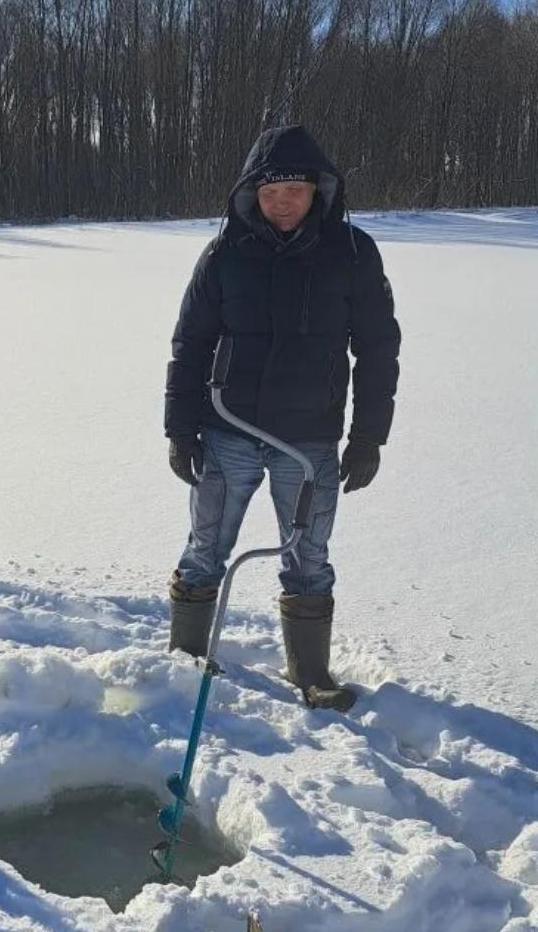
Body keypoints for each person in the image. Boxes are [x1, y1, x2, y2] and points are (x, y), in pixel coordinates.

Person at [164, 124, 400, 711]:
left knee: (309, 557)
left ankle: (310, 671)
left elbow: (377, 347)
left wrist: (368, 436)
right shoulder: (224, 253)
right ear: (252, 195)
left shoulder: (351, 252)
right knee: (204, 548)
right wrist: (179, 427)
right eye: (269, 193)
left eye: (294, 190)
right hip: (228, 431)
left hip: (311, 441)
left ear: (317, 190)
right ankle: (186, 661)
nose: (282, 203)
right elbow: (190, 342)